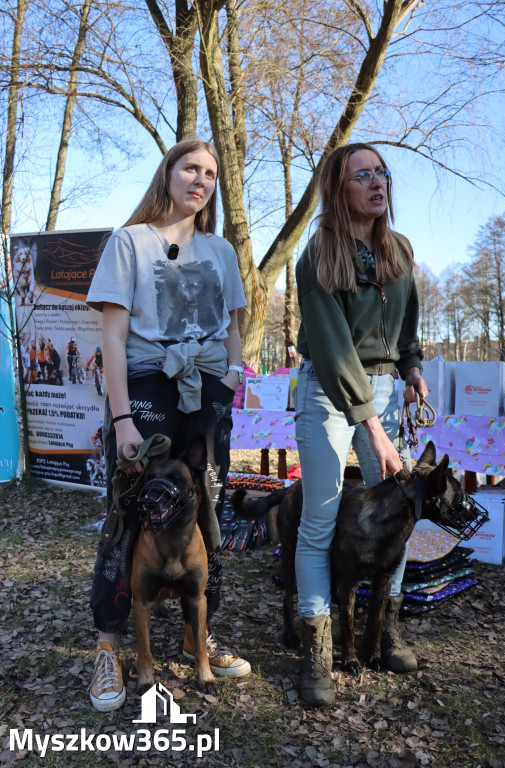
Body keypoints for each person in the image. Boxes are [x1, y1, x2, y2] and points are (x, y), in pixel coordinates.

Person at [86, 137, 250, 713]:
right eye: (190, 168)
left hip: (205, 387)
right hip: (148, 383)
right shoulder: (130, 242)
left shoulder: (222, 251)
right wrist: (124, 417)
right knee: (131, 506)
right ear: (168, 174)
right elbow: (111, 332)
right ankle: (108, 643)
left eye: (209, 173)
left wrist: (229, 379)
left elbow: (232, 326)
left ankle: (195, 632)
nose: (200, 180)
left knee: (206, 505)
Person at [294, 142, 428, 707]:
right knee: (320, 519)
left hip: (384, 391)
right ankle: (317, 653)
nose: (377, 183)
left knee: (399, 512)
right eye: (362, 175)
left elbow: (407, 323)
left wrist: (413, 367)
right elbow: (333, 347)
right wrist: (372, 427)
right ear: (339, 186)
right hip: (328, 388)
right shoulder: (318, 254)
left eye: (382, 173)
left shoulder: (399, 249)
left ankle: (382, 634)